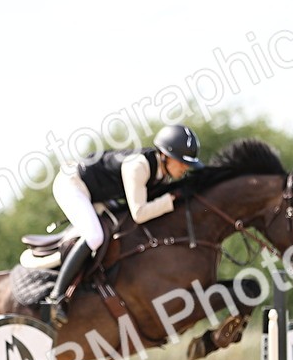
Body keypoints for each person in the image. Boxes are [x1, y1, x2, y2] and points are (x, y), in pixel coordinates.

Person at [45, 124, 203, 327]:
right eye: (182, 162)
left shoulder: (161, 173)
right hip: (72, 185)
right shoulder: (138, 166)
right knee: (95, 236)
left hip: (96, 193)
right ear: (165, 155)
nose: (185, 168)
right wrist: (172, 198)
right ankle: (56, 296)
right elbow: (139, 213)